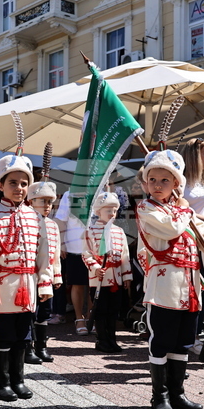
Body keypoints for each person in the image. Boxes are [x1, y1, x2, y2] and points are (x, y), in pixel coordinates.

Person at [136, 149, 204, 409]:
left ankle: (177, 393)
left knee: (182, 343)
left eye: (165, 180)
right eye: (152, 180)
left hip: (190, 289)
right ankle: (160, 396)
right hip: (163, 287)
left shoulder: (184, 213)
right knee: (161, 341)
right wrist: (185, 208)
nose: (157, 185)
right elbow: (172, 229)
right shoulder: (147, 209)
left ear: (176, 183)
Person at [0, 152, 52, 402]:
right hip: (2, 285)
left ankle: (18, 380)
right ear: (0, 184)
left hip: (28, 285)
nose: (19, 188)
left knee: (23, 334)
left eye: (24, 183)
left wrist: (45, 283)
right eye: (13, 182)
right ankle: (2, 381)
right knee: (4, 334)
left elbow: (44, 253)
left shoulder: (35, 216)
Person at [83, 192, 131, 354]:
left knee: (113, 311)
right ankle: (102, 340)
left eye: (114, 210)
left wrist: (127, 276)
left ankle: (112, 339)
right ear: (98, 211)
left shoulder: (119, 231)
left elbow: (124, 256)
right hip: (99, 279)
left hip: (116, 278)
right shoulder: (90, 231)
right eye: (108, 210)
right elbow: (86, 254)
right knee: (101, 311)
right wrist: (96, 268)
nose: (112, 213)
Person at [27, 155, 63, 363]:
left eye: (50, 201)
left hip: (46, 275)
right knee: (30, 310)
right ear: (32, 201)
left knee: (45, 311)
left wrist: (56, 275)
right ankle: (28, 347)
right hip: (30, 274)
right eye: (43, 201)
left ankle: (41, 346)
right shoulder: (27, 220)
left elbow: (55, 253)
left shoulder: (53, 225)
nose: (47, 205)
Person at [56, 189, 92, 336]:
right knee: (77, 284)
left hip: (96, 248)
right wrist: (62, 243)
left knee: (94, 285)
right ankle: (79, 319)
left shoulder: (102, 190)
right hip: (75, 247)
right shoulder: (70, 193)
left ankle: (91, 318)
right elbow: (61, 220)